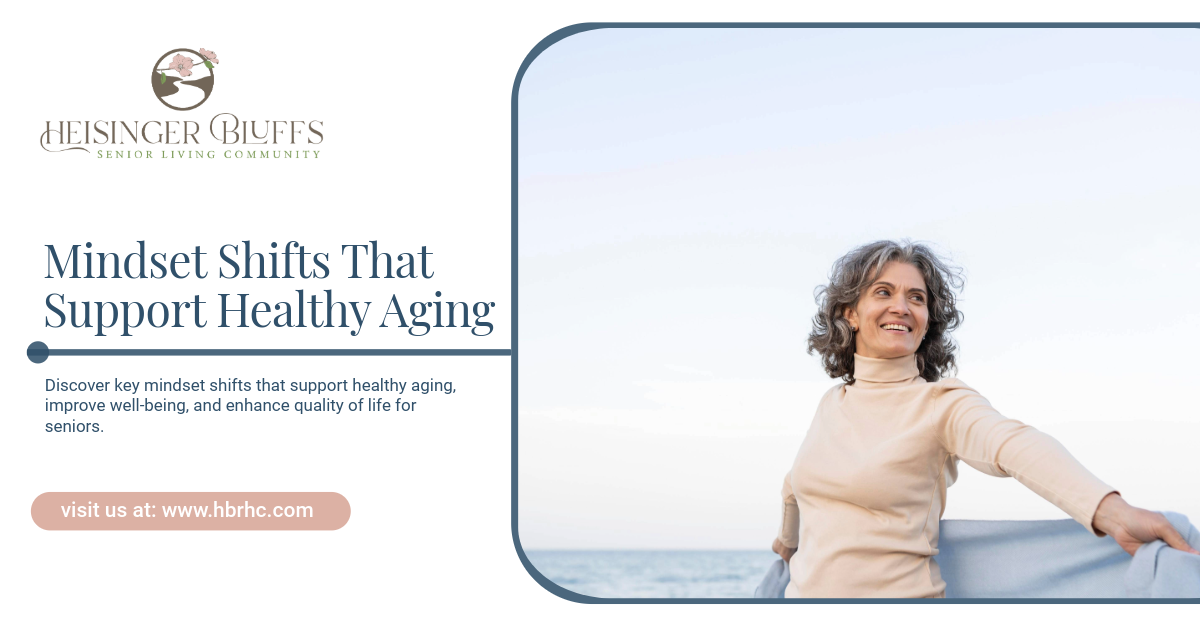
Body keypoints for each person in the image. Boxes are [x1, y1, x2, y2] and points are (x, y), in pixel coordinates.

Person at [772, 240, 1198, 598]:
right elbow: (796, 482)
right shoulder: (833, 401)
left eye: (916, 298)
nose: (901, 307)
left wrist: (1113, 511)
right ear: (849, 313)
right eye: (883, 292)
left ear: (926, 323)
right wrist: (786, 543)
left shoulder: (940, 403)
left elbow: (1014, 445)